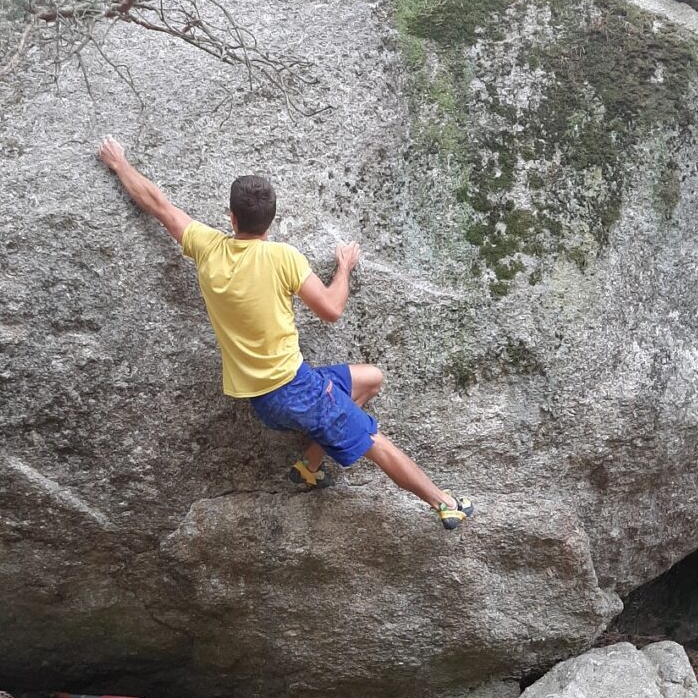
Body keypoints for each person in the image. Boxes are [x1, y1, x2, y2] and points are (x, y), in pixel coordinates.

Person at [97, 136, 474, 528]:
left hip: (266, 399)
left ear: (231, 218)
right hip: (296, 391)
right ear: (271, 220)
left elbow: (158, 205)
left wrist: (120, 164)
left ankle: (309, 467)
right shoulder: (282, 258)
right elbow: (331, 309)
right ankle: (443, 502)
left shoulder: (208, 249)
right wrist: (344, 268)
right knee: (374, 442)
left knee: (369, 380)